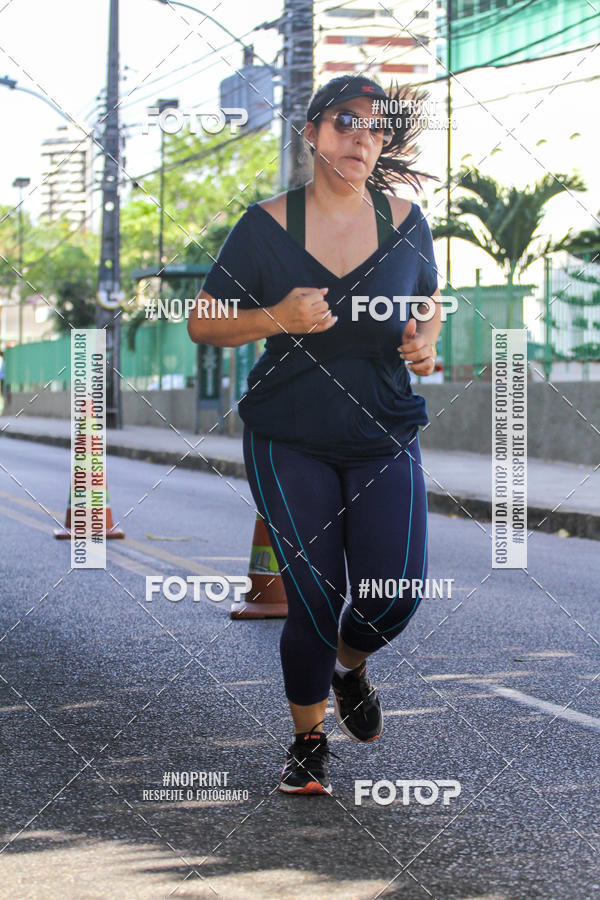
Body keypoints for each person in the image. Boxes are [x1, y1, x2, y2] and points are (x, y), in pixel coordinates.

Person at [188, 74, 443, 795]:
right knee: (315, 597)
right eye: (345, 122)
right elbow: (203, 322)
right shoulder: (265, 225)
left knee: (396, 594)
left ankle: (349, 668)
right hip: (289, 435)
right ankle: (308, 741)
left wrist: (426, 340)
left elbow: (430, 302)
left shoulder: (406, 221)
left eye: (376, 127)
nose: (362, 137)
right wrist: (276, 317)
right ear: (311, 132)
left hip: (384, 430)